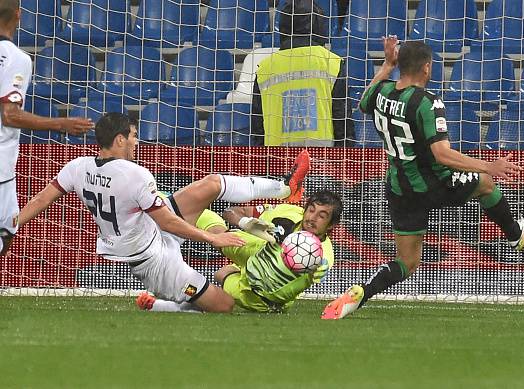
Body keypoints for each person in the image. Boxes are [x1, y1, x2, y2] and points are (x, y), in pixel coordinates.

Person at [321, 37, 524, 320]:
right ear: (427, 68)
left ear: (400, 64)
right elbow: (442, 154)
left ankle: (362, 293)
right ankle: (515, 235)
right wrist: (488, 165)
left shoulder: (381, 92)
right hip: (434, 182)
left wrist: (386, 66)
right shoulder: (428, 103)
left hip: (399, 188)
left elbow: (364, 103)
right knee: (487, 184)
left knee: (407, 262)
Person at [17, 112, 310, 313]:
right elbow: (168, 220)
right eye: (132, 136)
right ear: (119, 139)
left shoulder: (77, 167)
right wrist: (213, 241)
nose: (136, 141)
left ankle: (284, 188)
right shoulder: (135, 174)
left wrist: (12, 225)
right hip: (153, 260)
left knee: (210, 184)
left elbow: (42, 199)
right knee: (224, 306)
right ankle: (163, 305)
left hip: (149, 230)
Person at [136, 189, 343, 313]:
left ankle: (163, 304)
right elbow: (230, 212)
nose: (312, 218)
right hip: (258, 252)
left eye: (322, 215)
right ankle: (163, 202)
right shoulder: (288, 214)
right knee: (212, 225)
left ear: (331, 225)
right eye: (311, 210)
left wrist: (308, 266)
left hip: (259, 296)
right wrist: (248, 223)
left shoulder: (322, 257)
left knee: (218, 284)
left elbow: (297, 282)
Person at [0, 0, 93, 256]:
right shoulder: (16, 58)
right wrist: (62, 123)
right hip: (0, 166)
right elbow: (9, 115)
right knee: (7, 228)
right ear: (18, 15)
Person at [251, 0, 354, 147]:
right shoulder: (331, 62)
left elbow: (257, 129)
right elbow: (342, 122)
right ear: (319, 25)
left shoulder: (265, 69)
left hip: (276, 162)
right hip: (321, 162)